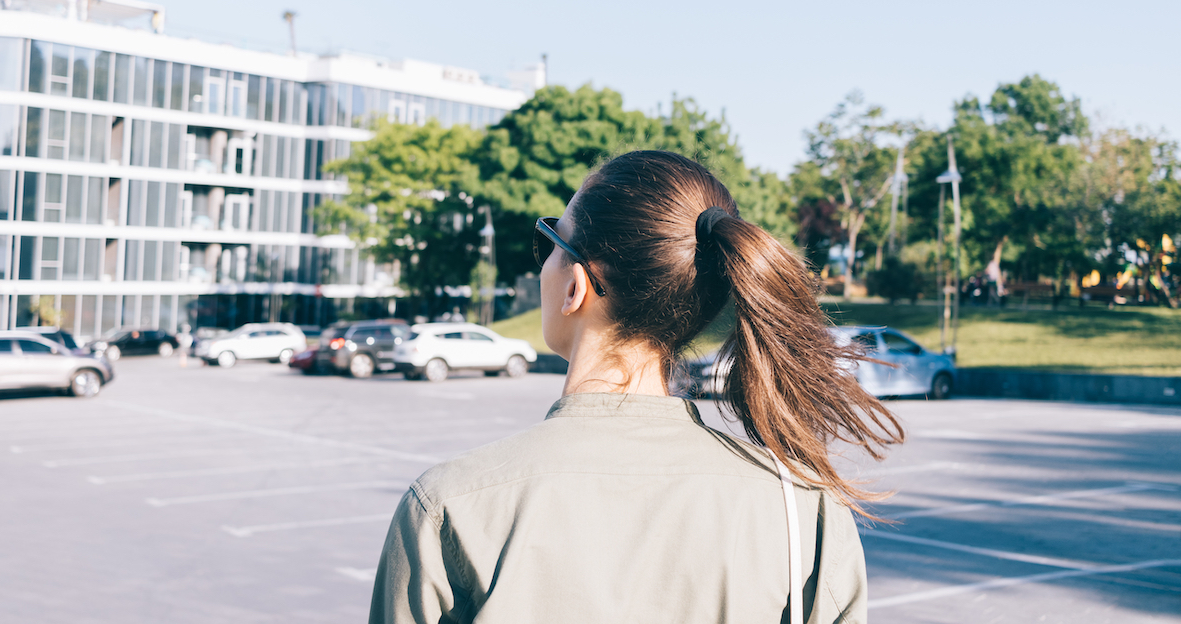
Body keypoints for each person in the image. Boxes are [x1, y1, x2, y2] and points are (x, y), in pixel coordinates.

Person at [370, 150, 905, 624]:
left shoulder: (450, 507)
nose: (542, 265)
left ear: (576, 285)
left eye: (549, 240)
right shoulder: (804, 510)